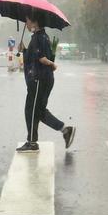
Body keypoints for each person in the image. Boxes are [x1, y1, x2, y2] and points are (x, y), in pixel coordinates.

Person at [16, 10, 76, 153]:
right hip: (43, 79)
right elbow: (36, 56)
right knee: (39, 111)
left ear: (34, 21)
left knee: (31, 110)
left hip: (38, 80)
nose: (26, 23)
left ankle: (32, 142)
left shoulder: (37, 38)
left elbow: (41, 58)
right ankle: (65, 130)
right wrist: (25, 50)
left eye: (27, 20)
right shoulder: (43, 37)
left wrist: (51, 64)